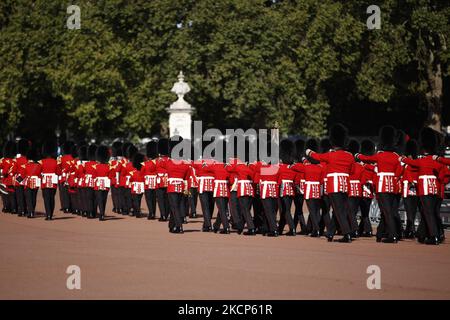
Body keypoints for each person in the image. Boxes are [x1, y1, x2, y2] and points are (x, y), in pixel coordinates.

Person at [307, 124, 354, 243]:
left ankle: (347, 233)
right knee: (339, 210)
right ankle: (330, 233)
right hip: (345, 184)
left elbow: (317, 157)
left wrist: (309, 152)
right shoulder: (349, 156)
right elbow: (352, 171)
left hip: (334, 184)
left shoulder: (331, 155)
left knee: (338, 210)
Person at [357, 126, 403, 243]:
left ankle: (393, 235)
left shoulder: (380, 155)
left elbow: (368, 158)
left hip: (382, 186)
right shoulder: (396, 156)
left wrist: (358, 156)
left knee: (387, 211)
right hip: (392, 185)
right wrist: (393, 177)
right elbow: (399, 171)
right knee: (386, 210)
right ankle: (380, 233)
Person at [400, 128, 445, 245]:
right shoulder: (437, 161)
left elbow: (412, 163)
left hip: (425, 189)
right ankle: (422, 234)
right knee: (429, 212)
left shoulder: (422, 160)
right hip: (435, 188)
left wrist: (402, 158)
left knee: (428, 213)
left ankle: (434, 236)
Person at [277, 139, 297, 236]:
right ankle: (280, 229)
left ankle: (292, 228)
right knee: (286, 210)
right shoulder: (293, 167)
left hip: (283, 189)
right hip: (291, 189)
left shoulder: (280, 167)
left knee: (285, 210)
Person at [401, 139, 420, 238]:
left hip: (410, 189)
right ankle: (409, 230)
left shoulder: (408, 164)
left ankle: (411, 230)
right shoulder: (413, 163)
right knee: (411, 211)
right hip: (412, 190)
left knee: (410, 211)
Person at [358, 139, 376, 237]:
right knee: (365, 211)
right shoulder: (372, 165)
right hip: (370, 190)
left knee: (364, 212)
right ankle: (361, 230)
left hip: (364, 189)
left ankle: (368, 230)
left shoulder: (363, 165)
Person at [347, 139, 364, 238]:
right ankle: (353, 230)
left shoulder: (349, 164)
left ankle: (354, 229)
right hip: (358, 190)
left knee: (350, 212)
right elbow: (363, 180)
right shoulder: (361, 167)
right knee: (354, 211)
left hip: (349, 189)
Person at [40, 140, 60, 220]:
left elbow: (39, 172)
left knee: (46, 198)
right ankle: (50, 214)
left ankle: (48, 214)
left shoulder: (41, 162)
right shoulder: (56, 162)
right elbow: (58, 172)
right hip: (53, 182)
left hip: (45, 182)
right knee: (52, 197)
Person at [94, 145, 113, 221]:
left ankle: (101, 214)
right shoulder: (109, 166)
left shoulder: (96, 166)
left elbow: (94, 176)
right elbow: (111, 175)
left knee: (99, 198)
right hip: (106, 183)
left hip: (98, 183)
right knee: (104, 199)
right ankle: (102, 213)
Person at [23, 147, 42, 218]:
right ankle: (32, 211)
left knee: (29, 198)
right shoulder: (39, 165)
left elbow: (22, 175)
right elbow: (40, 174)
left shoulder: (26, 165)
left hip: (28, 182)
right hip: (36, 182)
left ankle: (30, 212)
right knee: (34, 197)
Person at [13, 139, 29, 216]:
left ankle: (22, 210)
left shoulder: (16, 160)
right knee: (27, 196)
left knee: (20, 196)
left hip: (19, 180)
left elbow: (14, 170)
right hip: (27, 179)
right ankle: (26, 210)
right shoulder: (28, 160)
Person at [142, 141, 158, 220]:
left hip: (147, 182)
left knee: (148, 198)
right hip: (155, 182)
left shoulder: (145, 164)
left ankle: (151, 212)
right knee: (154, 198)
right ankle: (153, 213)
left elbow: (142, 173)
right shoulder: (157, 163)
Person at [57, 141, 75, 213]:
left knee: (63, 193)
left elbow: (58, 168)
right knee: (71, 192)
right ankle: (71, 206)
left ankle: (65, 206)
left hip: (62, 177)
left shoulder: (60, 158)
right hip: (71, 177)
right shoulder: (72, 157)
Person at [155, 138, 170, 221]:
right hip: (167, 180)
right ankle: (167, 214)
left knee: (160, 199)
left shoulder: (157, 161)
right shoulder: (169, 160)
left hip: (159, 181)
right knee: (167, 198)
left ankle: (163, 215)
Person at [1, 141, 17, 214]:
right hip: (13, 180)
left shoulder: (4, 160)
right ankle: (12, 207)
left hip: (5, 179)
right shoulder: (14, 161)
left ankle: (7, 207)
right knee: (12, 194)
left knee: (5, 194)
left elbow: (4, 172)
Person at [130, 153, 146, 218]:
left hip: (135, 186)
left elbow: (131, 179)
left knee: (135, 199)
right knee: (138, 199)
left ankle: (137, 212)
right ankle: (137, 211)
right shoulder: (143, 170)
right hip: (141, 185)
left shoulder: (133, 172)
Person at [84, 144, 98, 219]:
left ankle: (90, 213)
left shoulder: (86, 164)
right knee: (95, 198)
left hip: (88, 182)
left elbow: (83, 172)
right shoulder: (97, 164)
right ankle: (94, 212)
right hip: (96, 182)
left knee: (89, 198)